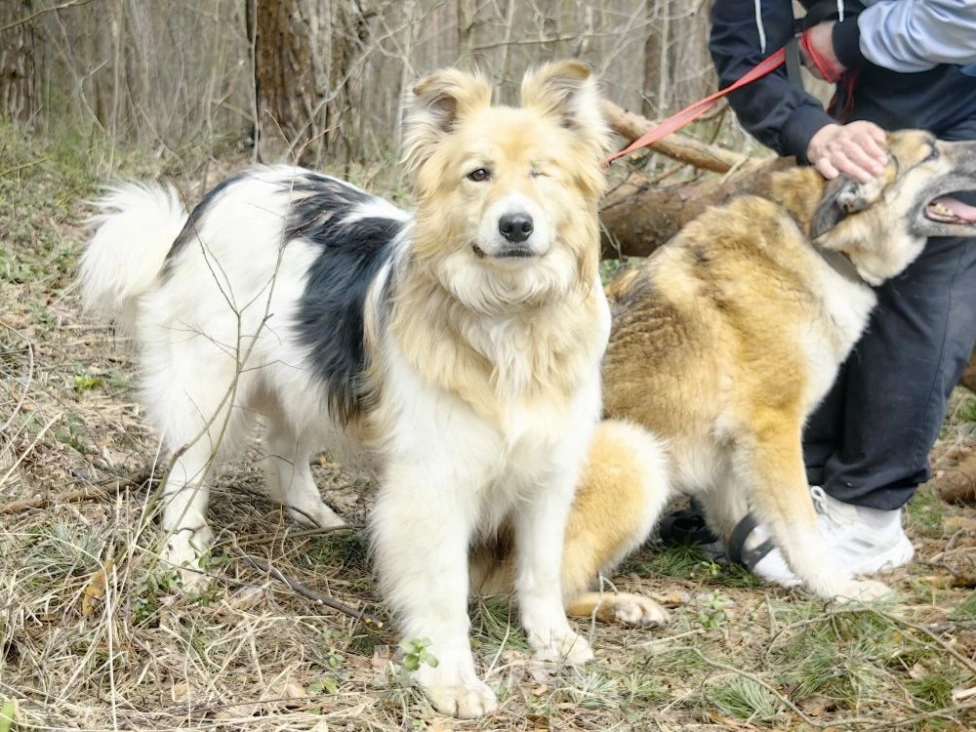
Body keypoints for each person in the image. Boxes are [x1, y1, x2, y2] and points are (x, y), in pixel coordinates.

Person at [684, 0, 976, 585]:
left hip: (961, 95)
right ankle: (809, 489)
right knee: (825, 274)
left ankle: (869, 514)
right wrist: (811, 130)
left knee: (926, 274)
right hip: (862, 106)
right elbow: (747, 50)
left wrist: (846, 40)